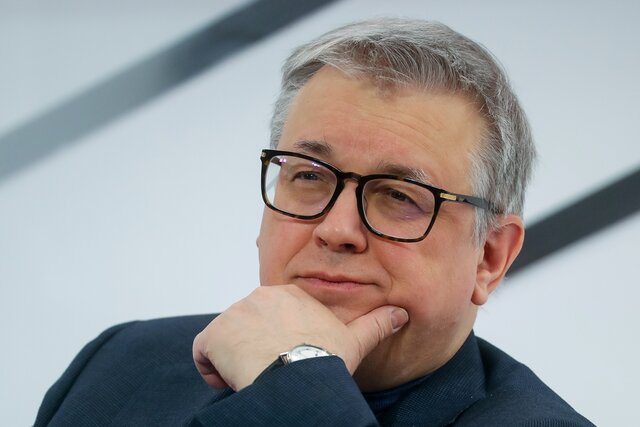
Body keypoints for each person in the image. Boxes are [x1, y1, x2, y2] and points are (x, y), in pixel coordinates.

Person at [35, 18, 594, 426]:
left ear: (489, 257)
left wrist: (297, 382)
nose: (336, 229)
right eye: (308, 176)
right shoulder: (121, 365)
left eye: (398, 195)